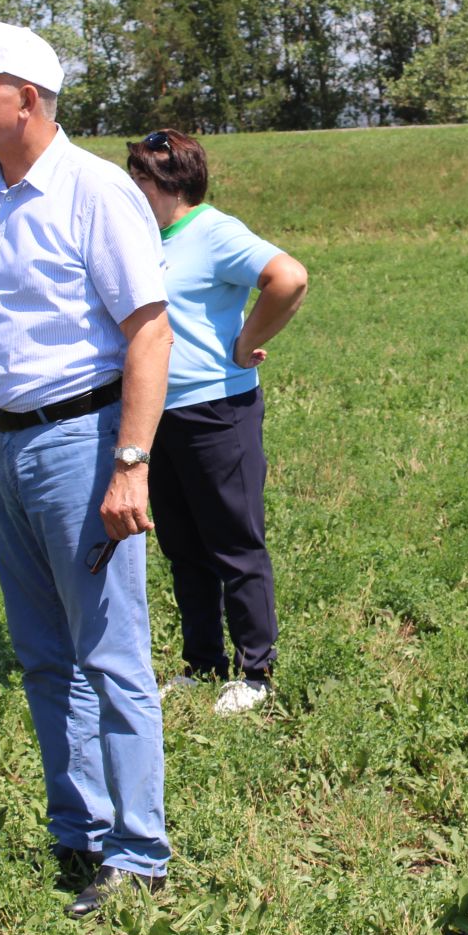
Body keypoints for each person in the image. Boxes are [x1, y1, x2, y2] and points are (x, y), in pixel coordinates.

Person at [0, 20, 175, 918]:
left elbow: (149, 330)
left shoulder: (96, 192)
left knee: (110, 656)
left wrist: (131, 465)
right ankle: (79, 834)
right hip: (3, 445)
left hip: (82, 441)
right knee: (42, 657)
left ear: (26, 98)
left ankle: (140, 852)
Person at [124, 130, 309, 717]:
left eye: (141, 178)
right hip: (159, 415)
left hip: (216, 413)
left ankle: (257, 672)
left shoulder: (213, 231)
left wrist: (246, 341)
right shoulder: (150, 237)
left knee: (233, 543)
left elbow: (289, 277)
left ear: (173, 184)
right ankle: (203, 663)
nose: (132, 187)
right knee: (183, 548)